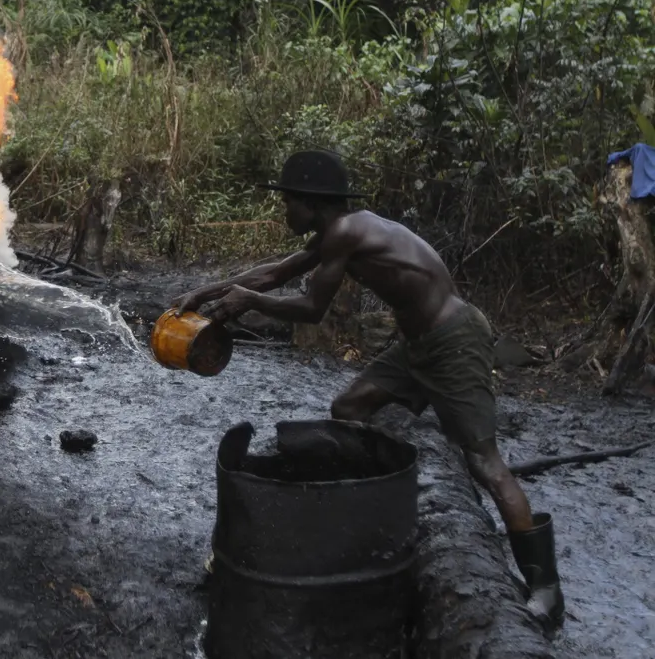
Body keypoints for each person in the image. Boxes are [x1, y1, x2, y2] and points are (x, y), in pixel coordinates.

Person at [173, 150, 564, 630]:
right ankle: (377, 507)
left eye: (288, 202)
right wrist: (209, 292)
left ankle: (545, 588)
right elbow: (276, 271)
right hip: (418, 343)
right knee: (349, 407)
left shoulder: (344, 233)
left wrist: (250, 302)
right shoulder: (341, 230)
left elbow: (312, 307)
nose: (284, 213)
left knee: (485, 462)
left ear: (311, 203)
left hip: (453, 342)